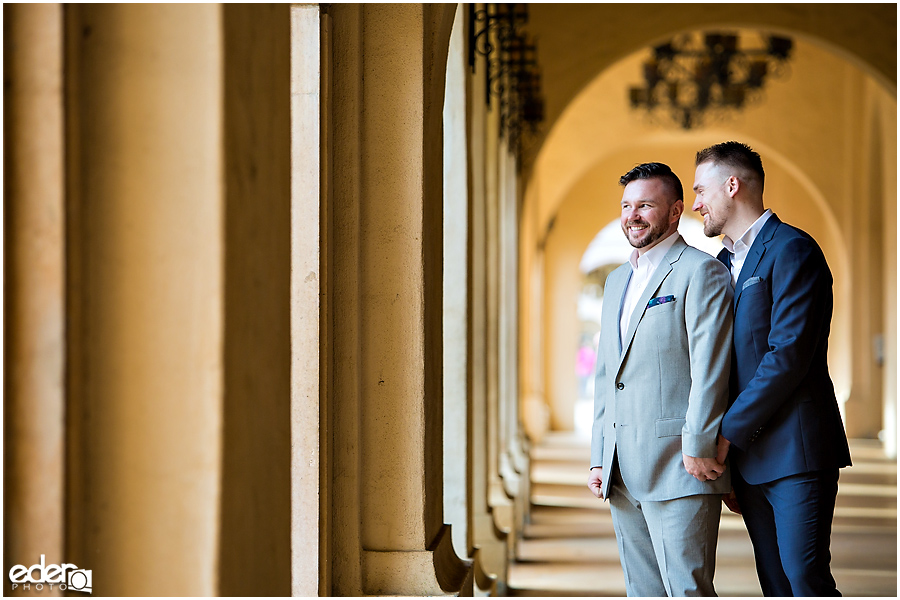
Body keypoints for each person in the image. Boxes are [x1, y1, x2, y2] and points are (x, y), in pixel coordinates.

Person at [692, 141, 851, 597]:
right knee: (776, 585)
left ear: (733, 185)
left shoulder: (794, 249)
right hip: (746, 459)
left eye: (702, 191)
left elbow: (788, 355)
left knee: (806, 580)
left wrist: (725, 435)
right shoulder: (720, 265)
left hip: (796, 450)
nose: (697, 203)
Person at [587, 162, 733, 596]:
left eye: (645, 205)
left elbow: (711, 369)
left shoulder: (700, 271)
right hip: (620, 473)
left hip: (680, 467)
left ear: (674, 212)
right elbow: (606, 374)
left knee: (687, 590)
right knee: (643, 592)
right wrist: (600, 454)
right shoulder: (616, 281)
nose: (632, 215)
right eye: (626, 205)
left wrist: (700, 446)